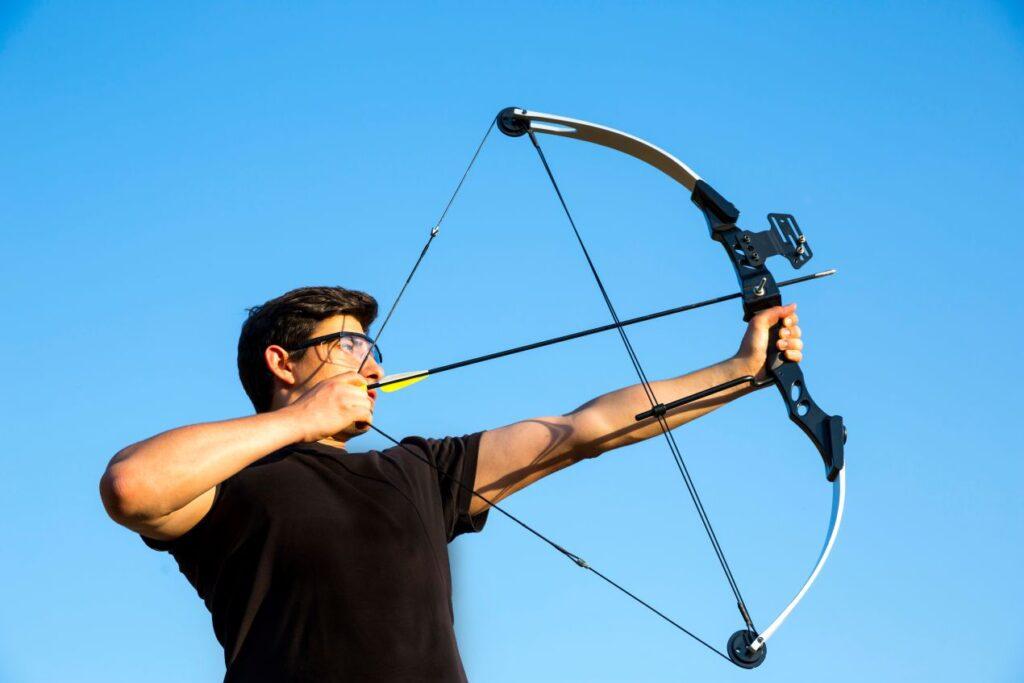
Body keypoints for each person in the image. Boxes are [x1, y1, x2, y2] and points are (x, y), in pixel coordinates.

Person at [99, 285, 804, 682]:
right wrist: (303, 419)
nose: (371, 368)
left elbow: (586, 428)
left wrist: (742, 370)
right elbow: (131, 485)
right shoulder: (232, 480)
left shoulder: (419, 470)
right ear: (283, 363)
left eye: (373, 352)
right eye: (350, 346)